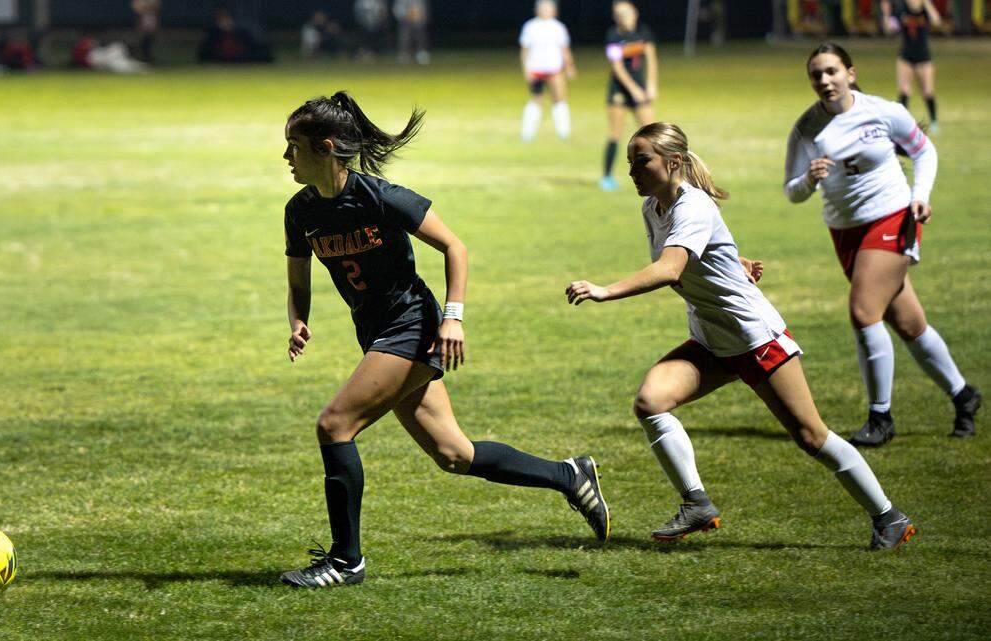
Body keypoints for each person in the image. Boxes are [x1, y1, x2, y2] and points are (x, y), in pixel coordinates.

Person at [279, 91, 610, 588]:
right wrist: (298, 321)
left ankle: (346, 563)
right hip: (376, 334)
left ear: (325, 148)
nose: (286, 156)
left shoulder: (381, 196)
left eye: (294, 145)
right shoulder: (300, 210)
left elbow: (455, 246)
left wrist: (453, 318)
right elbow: (298, 281)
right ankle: (569, 475)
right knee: (455, 455)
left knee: (335, 425)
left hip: (412, 327)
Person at [566, 121, 916, 550]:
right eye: (630, 163)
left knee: (811, 436)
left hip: (755, 339)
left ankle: (889, 517)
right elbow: (703, 251)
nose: (632, 172)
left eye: (641, 162)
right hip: (712, 339)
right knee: (651, 402)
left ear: (673, 162)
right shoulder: (653, 208)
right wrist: (736, 262)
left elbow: (671, 268)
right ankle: (697, 503)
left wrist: (605, 290)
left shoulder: (693, 205)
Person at [784, 43, 979, 446]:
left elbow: (923, 151)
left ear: (850, 73)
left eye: (832, 71)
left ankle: (880, 417)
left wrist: (920, 195)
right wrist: (809, 179)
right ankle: (964, 395)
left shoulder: (884, 112)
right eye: (817, 75)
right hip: (845, 231)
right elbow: (792, 191)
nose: (825, 80)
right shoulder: (807, 128)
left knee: (863, 311)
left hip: (892, 217)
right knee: (908, 323)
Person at [601, 0, 657, 191]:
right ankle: (607, 177)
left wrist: (651, 85)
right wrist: (633, 90)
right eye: (620, 14)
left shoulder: (643, 32)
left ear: (635, 13)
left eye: (627, 12)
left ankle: (655, 174)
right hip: (619, 91)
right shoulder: (612, 36)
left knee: (651, 134)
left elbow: (651, 59)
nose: (624, 17)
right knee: (615, 134)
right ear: (615, 17)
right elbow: (617, 67)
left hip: (640, 88)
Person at [518, 0, 576, 142]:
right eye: (543, 8)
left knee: (559, 99)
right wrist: (526, 69)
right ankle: (527, 134)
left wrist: (569, 66)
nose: (546, 11)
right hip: (536, 69)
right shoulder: (530, 26)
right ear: (537, 10)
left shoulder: (558, 27)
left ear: (554, 11)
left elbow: (564, 49)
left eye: (548, 8)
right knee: (536, 99)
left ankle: (564, 133)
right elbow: (524, 50)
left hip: (554, 69)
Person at [881, 0, 942, 132]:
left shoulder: (925, 9)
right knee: (905, 91)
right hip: (906, 56)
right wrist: (886, 14)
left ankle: (934, 122)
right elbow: (890, 28)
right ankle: (902, 123)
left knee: (927, 91)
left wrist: (927, 4)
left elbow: (937, 21)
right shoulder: (901, 8)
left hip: (923, 57)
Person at [393, 0, 429, 65]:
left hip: (418, 19)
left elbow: (422, 7)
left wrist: (420, 16)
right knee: (405, 37)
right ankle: (404, 54)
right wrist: (406, 15)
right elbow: (397, 8)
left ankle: (421, 54)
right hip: (405, 20)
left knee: (420, 37)